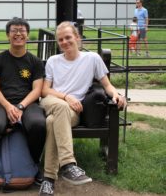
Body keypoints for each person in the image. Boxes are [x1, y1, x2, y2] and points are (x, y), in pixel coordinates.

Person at [38, 21, 126, 196]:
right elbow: (44, 90)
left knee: (51, 122)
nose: (64, 42)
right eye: (60, 39)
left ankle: (48, 179)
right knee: (58, 109)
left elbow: (106, 84)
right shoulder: (53, 61)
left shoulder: (92, 58)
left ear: (77, 38)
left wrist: (116, 95)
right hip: (52, 101)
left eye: (68, 37)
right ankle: (68, 164)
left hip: (72, 112)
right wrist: (66, 97)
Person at [0, 17, 47, 185]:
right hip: (2, 104)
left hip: (29, 104)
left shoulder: (35, 62)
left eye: (22, 31)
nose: (18, 34)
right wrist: (9, 107)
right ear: (8, 35)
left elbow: (37, 89)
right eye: (14, 31)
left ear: (28, 35)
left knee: (38, 124)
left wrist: (21, 106)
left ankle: (35, 164)